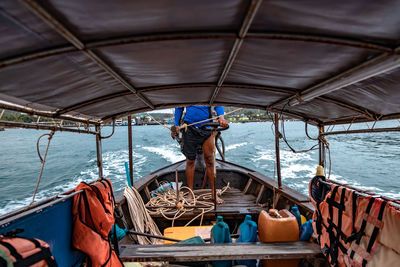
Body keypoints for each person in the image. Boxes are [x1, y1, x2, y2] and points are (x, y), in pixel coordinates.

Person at [171, 106, 228, 204]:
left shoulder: (209, 91)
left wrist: (221, 118)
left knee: (210, 160)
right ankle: (190, 193)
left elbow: (218, 105)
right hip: (189, 128)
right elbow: (179, 108)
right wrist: (176, 125)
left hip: (207, 127)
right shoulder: (186, 91)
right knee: (190, 161)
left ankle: (213, 193)